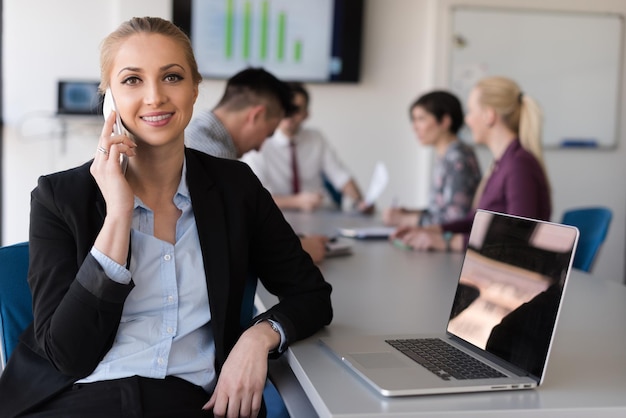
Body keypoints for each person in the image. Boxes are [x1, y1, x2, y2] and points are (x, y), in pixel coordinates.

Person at [0, 17, 332, 418]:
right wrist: (118, 214)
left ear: (195, 89)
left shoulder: (235, 188)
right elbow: (67, 355)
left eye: (171, 77)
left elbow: (311, 295)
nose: (155, 96)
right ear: (110, 100)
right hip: (76, 397)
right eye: (132, 80)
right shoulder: (60, 197)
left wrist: (260, 337)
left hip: (189, 400)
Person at [185, 68, 329, 263]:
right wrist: (299, 248)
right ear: (256, 115)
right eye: (268, 134)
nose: (260, 148)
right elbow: (230, 239)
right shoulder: (214, 156)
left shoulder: (198, 135)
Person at [391, 76, 551, 252]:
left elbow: (517, 239)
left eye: (471, 111)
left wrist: (447, 242)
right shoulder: (502, 163)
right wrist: (432, 230)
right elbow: (473, 222)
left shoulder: (519, 165)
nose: (467, 120)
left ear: (489, 116)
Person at [242, 81, 372, 213]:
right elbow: (256, 197)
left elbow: (341, 176)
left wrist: (360, 201)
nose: (290, 115)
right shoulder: (260, 142)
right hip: (277, 215)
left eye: (296, 109)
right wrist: (297, 202)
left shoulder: (316, 138)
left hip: (320, 213)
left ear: (306, 114)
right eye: (286, 108)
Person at [382, 91, 481, 228]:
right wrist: (409, 213)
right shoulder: (446, 155)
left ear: (445, 122)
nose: (414, 128)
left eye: (421, 119)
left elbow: (457, 218)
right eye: (414, 120)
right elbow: (441, 209)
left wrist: (408, 219)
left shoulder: (458, 158)